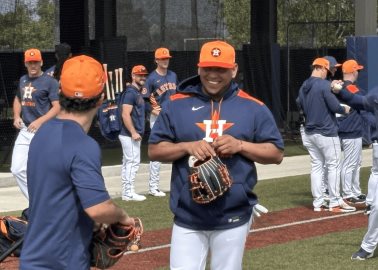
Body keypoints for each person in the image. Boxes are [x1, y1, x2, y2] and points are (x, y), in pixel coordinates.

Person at [148, 40, 284, 269]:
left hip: (233, 212)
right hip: (188, 214)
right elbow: (154, 150)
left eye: (220, 69)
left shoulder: (253, 107)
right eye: (208, 68)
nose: (213, 75)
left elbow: (276, 153)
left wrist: (241, 145)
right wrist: (186, 147)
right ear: (199, 68)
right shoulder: (176, 104)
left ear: (234, 70)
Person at [19, 55, 137, 269]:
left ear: (60, 92)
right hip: (64, 262)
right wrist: (122, 215)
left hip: (32, 258)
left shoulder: (42, 133)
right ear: (101, 99)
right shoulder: (84, 145)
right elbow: (98, 209)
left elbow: (59, 191)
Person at [297, 57, 356, 213]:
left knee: (317, 166)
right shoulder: (323, 85)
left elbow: (299, 103)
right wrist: (345, 110)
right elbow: (335, 106)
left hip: (309, 132)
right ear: (322, 68)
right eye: (328, 71)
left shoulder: (304, 85)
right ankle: (335, 202)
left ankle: (318, 202)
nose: (328, 74)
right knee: (333, 166)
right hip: (326, 132)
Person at [11, 48, 60, 200]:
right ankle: (37, 202)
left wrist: (40, 121)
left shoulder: (50, 81)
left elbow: (58, 107)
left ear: (41, 62)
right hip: (25, 130)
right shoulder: (23, 79)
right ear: (25, 63)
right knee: (17, 169)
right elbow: (18, 99)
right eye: (30, 62)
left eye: (36, 62)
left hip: (44, 131)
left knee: (46, 170)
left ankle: (49, 203)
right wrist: (16, 116)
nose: (33, 65)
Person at [143, 47, 178, 197]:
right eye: (162, 58)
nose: (165, 61)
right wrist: (151, 109)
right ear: (156, 60)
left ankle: (177, 183)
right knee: (158, 151)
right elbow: (142, 99)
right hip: (157, 118)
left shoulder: (173, 76)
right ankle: (153, 187)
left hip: (172, 116)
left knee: (177, 150)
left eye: (167, 58)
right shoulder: (151, 78)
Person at [337, 60, 368, 204]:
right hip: (350, 129)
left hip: (346, 128)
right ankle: (348, 193)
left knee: (354, 163)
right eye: (358, 70)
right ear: (353, 71)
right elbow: (363, 99)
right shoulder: (349, 88)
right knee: (350, 163)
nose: (358, 73)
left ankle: (355, 191)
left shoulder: (338, 86)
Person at [119, 65, 148, 201]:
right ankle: (129, 192)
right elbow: (125, 114)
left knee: (128, 162)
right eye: (139, 75)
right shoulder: (131, 92)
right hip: (129, 134)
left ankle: (126, 192)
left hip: (130, 133)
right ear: (133, 76)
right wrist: (133, 132)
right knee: (132, 162)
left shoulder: (137, 92)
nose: (142, 77)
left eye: (144, 75)